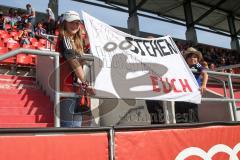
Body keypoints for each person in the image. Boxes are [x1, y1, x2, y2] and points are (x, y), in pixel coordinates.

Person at [57, 10, 94, 127]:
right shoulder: (65, 38)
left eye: (77, 23)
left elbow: (90, 45)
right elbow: (73, 61)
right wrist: (86, 83)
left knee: (77, 126)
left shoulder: (78, 41)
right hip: (66, 89)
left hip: (77, 89)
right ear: (65, 24)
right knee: (68, 126)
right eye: (71, 22)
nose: (75, 25)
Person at [175, 47, 208, 123]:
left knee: (192, 113)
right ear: (186, 58)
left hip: (193, 93)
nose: (193, 59)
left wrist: (203, 85)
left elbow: (205, 74)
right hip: (182, 93)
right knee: (180, 113)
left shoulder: (197, 65)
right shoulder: (182, 66)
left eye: (195, 57)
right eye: (190, 57)